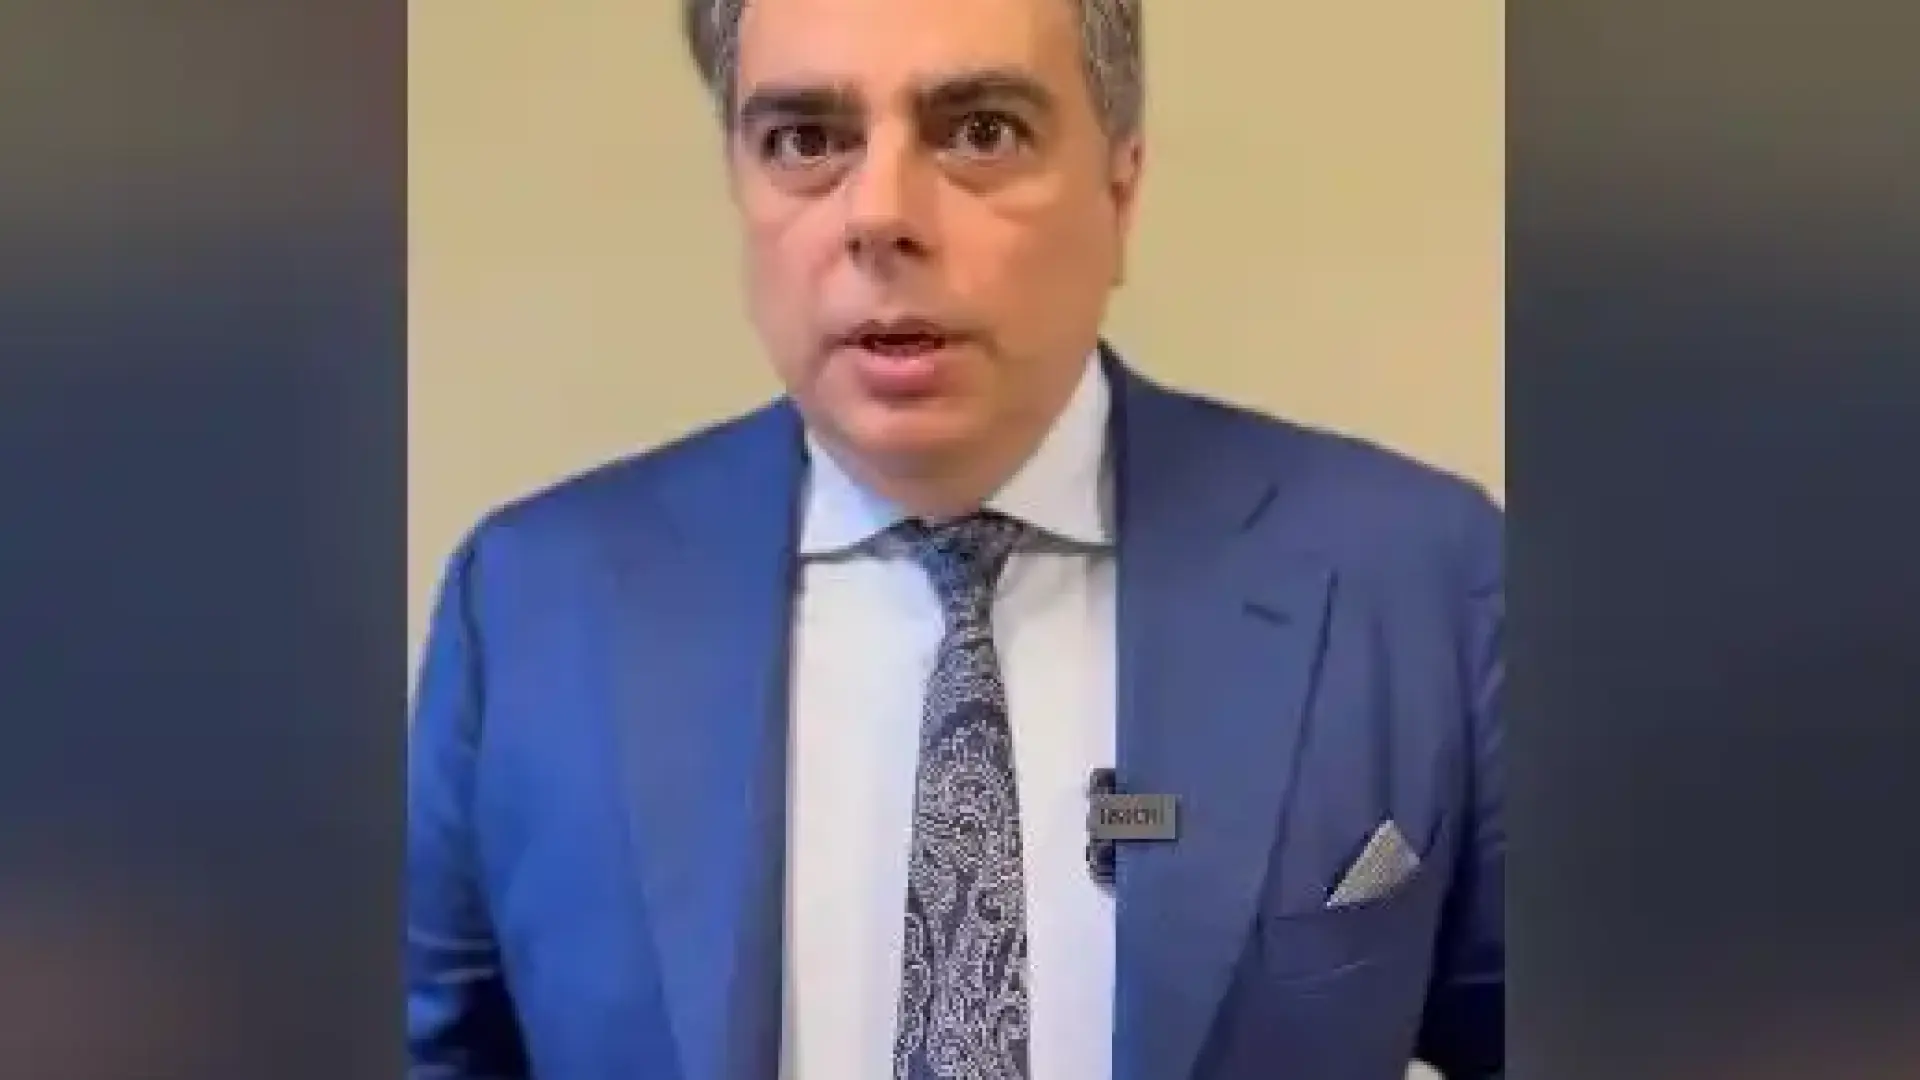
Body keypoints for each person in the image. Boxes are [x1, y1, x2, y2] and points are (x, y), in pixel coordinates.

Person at [406, 0, 1504, 1076]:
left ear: (1119, 190)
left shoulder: (1418, 581)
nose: (880, 215)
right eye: (806, 141)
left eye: (981, 131)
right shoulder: (529, 607)